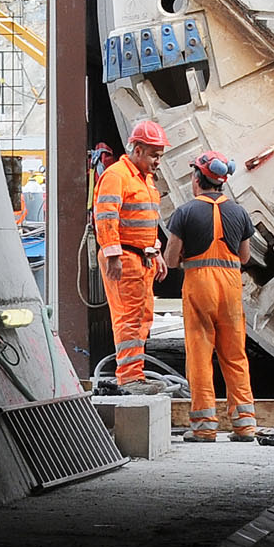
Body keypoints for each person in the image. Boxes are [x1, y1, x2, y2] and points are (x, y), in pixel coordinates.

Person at [162, 149, 258, 441]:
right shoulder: (239, 212)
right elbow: (244, 257)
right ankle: (245, 425)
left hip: (199, 286)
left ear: (197, 178)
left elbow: (170, 259)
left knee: (200, 356)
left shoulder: (185, 212)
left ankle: (204, 427)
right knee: (234, 354)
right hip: (230, 287)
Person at [93, 119, 171, 394]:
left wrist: (157, 251)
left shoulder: (145, 180)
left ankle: (133, 375)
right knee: (128, 318)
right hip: (124, 257)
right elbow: (106, 215)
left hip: (142, 258)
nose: (157, 161)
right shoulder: (117, 176)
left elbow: (148, 220)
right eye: (154, 155)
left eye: (160, 156)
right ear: (137, 150)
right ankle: (129, 378)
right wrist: (113, 253)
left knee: (141, 318)